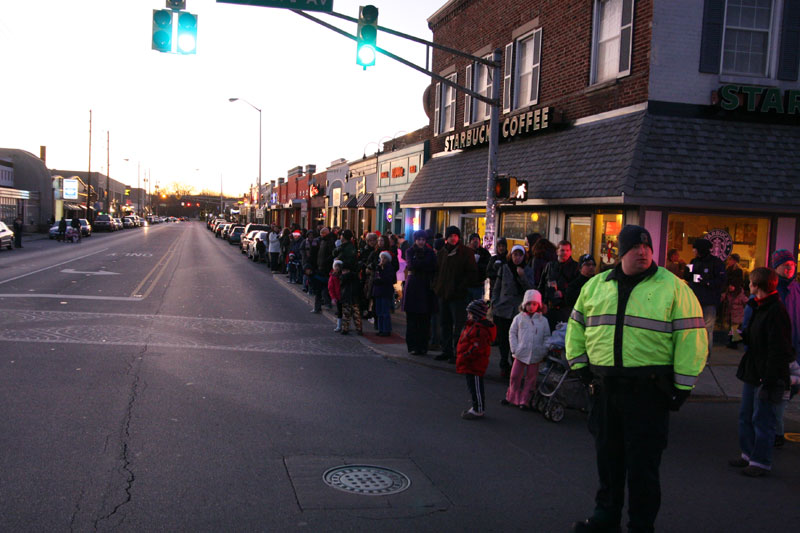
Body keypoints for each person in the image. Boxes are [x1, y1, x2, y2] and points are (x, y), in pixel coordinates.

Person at [566, 225, 707, 533]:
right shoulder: (596, 286)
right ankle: (606, 516)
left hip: (648, 392)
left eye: (647, 247)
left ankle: (641, 525)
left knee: (643, 467)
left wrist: (681, 388)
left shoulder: (673, 287)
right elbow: (576, 327)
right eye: (635, 247)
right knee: (609, 460)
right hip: (604, 390)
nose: (642, 252)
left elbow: (692, 338)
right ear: (621, 252)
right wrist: (581, 369)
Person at [730, 267, 794, 477]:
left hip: (766, 373)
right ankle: (749, 454)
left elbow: (778, 347)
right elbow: (758, 337)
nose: (748, 286)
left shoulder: (775, 310)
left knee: (762, 417)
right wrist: (743, 335)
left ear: (757, 286)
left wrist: (771, 377)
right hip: (754, 369)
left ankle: (760, 461)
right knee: (746, 414)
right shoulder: (759, 306)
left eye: (750, 283)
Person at [433, 226, 478, 363]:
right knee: (444, 323)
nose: (453, 238)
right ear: (447, 238)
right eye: (451, 236)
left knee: (458, 325)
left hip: (458, 295)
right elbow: (436, 272)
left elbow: (471, 273)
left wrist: (460, 287)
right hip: (443, 294)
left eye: (455, 236)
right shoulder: (442, 253)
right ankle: (446, 350)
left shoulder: (466, 253)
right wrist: (437, 287)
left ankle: (458, 352)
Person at [770, 249, 800, 447]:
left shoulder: (797, 290)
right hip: (777, 351)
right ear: (776, 267)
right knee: (780, 391)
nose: (789, 268)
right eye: (785, 265)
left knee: (790, 389)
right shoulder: (770, 289)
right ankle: (776, 432)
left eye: (792, 264)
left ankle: (775, 430)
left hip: (796, 349)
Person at [491, 245, 536, 377]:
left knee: (516, 340)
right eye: (515, 255)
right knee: (503, 338)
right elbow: (497, 287)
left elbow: (530, 289)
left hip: (518, 310)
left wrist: (522, 277)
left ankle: (515, 365)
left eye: (520, 255)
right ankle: (503, 364)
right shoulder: (504, 268)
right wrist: (495, 302)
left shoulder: (527, 270)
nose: (517, 258)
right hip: (502, 308)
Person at [504, 289, 550, 409]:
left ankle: (525, 399)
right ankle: (512, 396)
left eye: (534, 304)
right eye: (528, 304)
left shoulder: (543, 321)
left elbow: (547, 337)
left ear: (539, 305)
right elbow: (512, 332)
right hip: (520, 352)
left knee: (531, 379)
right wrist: (514, 348)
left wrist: (543, 350)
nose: (531, 307)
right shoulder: (519, 318)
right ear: (524, 305)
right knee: (515, 376)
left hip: (535, 354)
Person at [685, 238, 727, 357]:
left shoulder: (716, 263)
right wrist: (690, 271)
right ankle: (693, 353)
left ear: (700, 249)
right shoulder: (693, 261)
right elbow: (687, 276)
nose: (693, 251)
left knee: (707, 329)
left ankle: (705, 355)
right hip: (694, 300)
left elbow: (721, 280)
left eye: (695, 249)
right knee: (693, 328)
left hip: (709, 301)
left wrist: (706, 282)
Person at [456, 299, 496, 420]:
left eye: (470, 313)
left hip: (475, 363)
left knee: (476, 387)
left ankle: (478, 409)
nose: (468, 315)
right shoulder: (472, 326)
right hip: (470, 362)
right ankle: (476, 407)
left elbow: (477, 348)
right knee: (472, 386)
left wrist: (465, 356)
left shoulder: (479, 329)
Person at [403, 230, 437, 355]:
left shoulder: (430, 252)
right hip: (413, 287)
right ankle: (412, 346)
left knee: (424, 319)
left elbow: (433, 266)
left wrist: (421, 264)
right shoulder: (410, 251)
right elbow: (412, 265)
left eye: (423, 239)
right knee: (412, 319)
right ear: (415, 240)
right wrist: (423, 264)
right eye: (419, 240)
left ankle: (423, 346)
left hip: (426, 287)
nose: (421, 242)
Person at [537, 240, 580, 331]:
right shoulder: (550, 266)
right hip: (549, 309)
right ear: (557, 251)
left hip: (566, 309)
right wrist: (541, 302)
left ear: (571, 252)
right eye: (562, 250)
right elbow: (541, 285)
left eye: (567, 250)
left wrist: (563, 293)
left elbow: (577, 289)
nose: (565, 253)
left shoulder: (575, 267)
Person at [335, 229, 362, 335]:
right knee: (352, 305)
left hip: (349, 278)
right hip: (350, 276)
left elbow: (345, 259)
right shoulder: (347, 247)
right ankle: (354, 327)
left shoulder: (348, 248)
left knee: (349, 305)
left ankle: (348, 327)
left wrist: (342, 266)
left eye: (341, 236)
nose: (340, 237)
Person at [372, 251, 397, 336]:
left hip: (385, 292)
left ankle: (386, 330)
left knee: (385, 312)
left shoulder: (389, 268)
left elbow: (387, 279)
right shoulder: (378, 267)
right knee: (379, 311)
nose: (382, 260)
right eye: (382, 258)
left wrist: (379, 279)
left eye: (384, 258)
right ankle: (381, 329)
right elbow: (374, 279)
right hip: (378, 291)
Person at [314, 227, 335, 313]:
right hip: (320, 267)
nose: (321, 235)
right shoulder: (322, 241)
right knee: (319, 288)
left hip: (326, 268)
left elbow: (331, 254)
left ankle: (327, 304)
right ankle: (317, 306)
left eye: (322, 234)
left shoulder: (330, 241)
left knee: (326, 287)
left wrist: (326, 262)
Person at [467, 233, 491, 301]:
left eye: (477, 240)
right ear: (470, 242)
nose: (476, 242)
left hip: (479, 285)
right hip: (467, 285)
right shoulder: (466, 252)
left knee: (477, 305)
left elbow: (488, 266)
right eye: (474, 240)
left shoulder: (484, 253)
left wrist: (478, 265)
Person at [328, 260, 344, 332]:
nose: (337, 268)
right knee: (339, 311)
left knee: (346, 312)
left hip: (344, 296)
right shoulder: (332, 276)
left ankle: (346, 325)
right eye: (336, 267)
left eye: (338, 267)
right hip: (338, 297)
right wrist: (333, 297)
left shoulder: (343, 276)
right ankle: (339, 325)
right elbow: (330, 288)